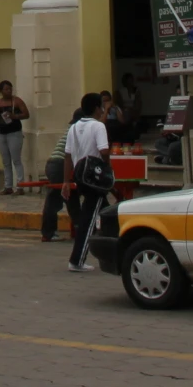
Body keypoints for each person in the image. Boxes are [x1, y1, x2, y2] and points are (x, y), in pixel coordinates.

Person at [61, 92, 111, 272]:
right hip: (95, 178)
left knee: (108, 215)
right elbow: (104, 151)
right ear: (98, 108)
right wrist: (108, 171)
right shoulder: (98, 126)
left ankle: (113, 255)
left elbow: (67, 156)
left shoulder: (73, 128)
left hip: (80, 176)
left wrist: (66, 181)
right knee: (89, 220)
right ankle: (77, 260)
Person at [0, 80, 30, 196]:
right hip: (1, 133)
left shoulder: (17, 101)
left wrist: (14, 116)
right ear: (1, 91)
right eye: (6, 89)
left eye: (10, 89)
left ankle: (20, 185)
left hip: (14, 132)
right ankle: (8, 186)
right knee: (6, 161)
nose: (8, 91)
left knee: (16, 159)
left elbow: (26, 114)